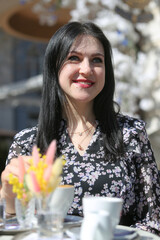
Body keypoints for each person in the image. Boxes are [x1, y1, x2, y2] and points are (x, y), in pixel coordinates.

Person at [0, 21, 160, 235]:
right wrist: (10, 198)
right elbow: (15, 228)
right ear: (54, 66)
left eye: (97, 60)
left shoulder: (132, 133)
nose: (86, 69)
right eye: (74, 58)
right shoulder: (27, 141)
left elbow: (152, 221)